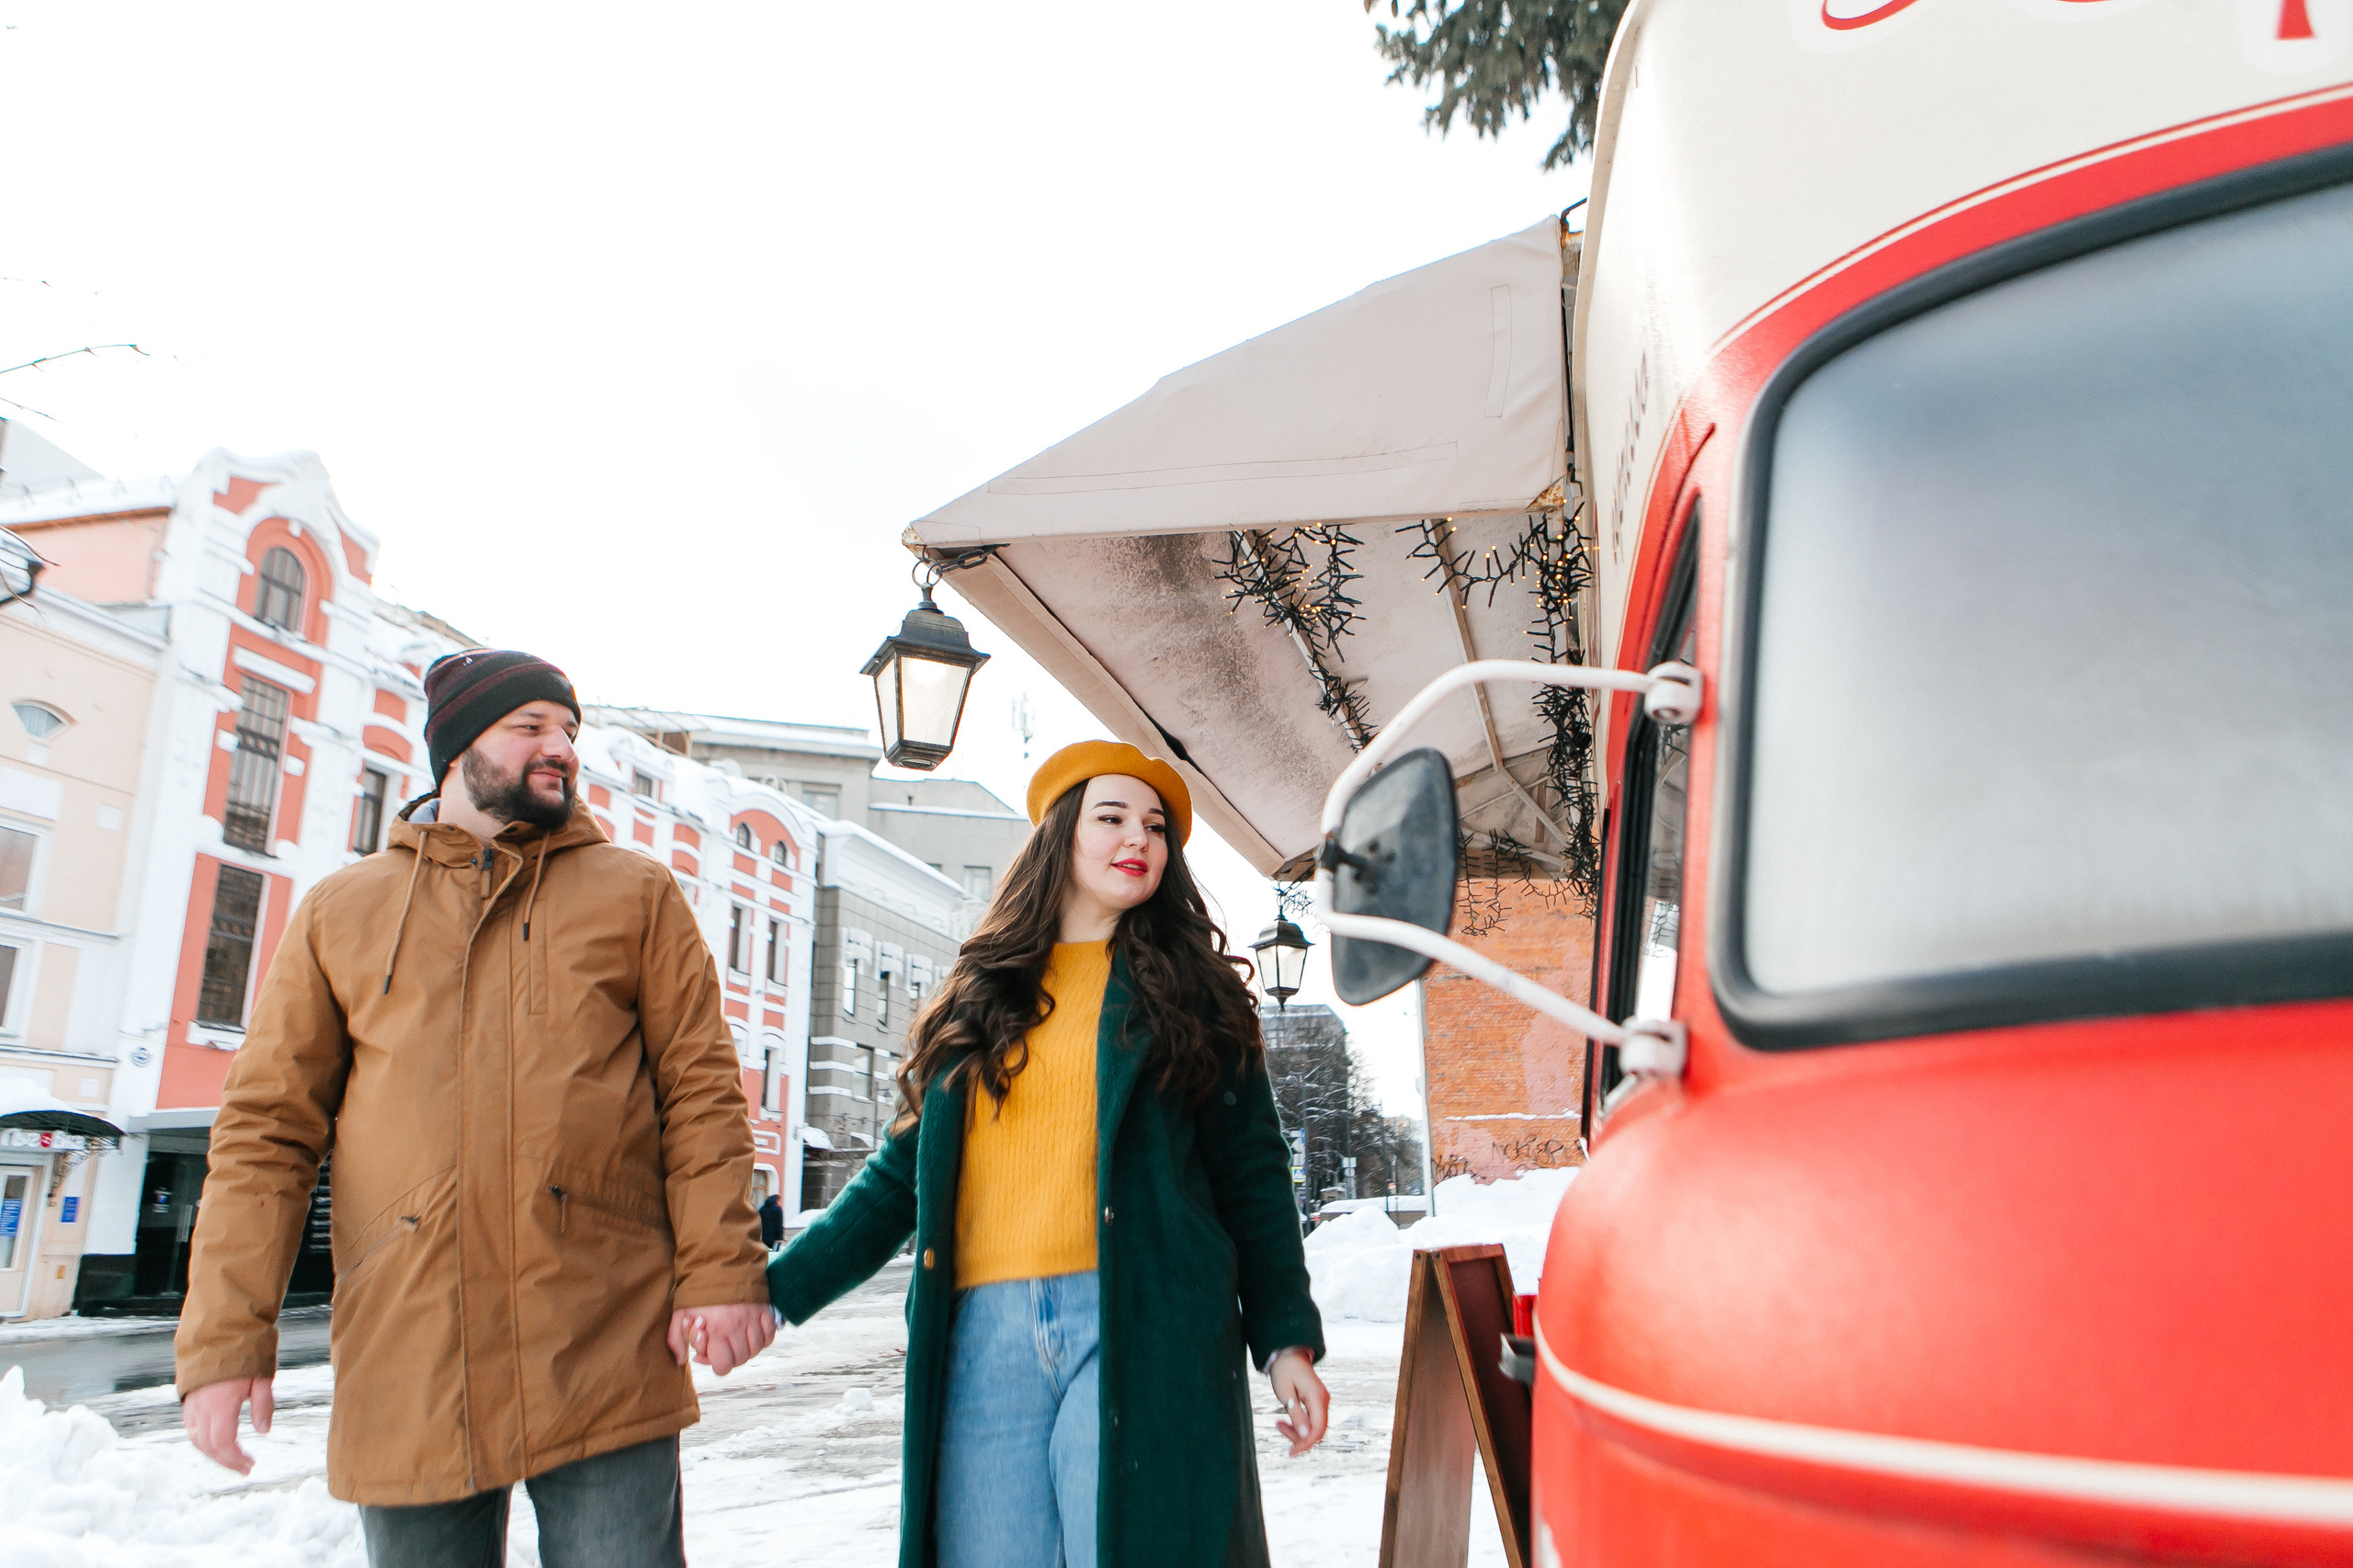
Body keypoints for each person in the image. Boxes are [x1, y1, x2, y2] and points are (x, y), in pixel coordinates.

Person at [175, 649, 777, 1568]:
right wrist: (224, 1340)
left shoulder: (636, 893)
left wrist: (722, 1269)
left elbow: (700, 1096)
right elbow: (266, 1134)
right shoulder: (344, 910)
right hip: (409, 1345)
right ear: (457, 748)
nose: (560, 748)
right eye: (531, 725)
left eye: (568, 730)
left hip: (602, 1332)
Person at [768, 740, 1328, 1568]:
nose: (1137, 838)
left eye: (1155, 827)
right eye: (1111, 818)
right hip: (982, 1335)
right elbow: (897, 1181)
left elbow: (1253, 1177)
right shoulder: (978, 998)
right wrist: (777, 1293)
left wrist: (1285, 1340)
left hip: (1146, 1319)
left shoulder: (1194, 996)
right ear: (1062, 835)